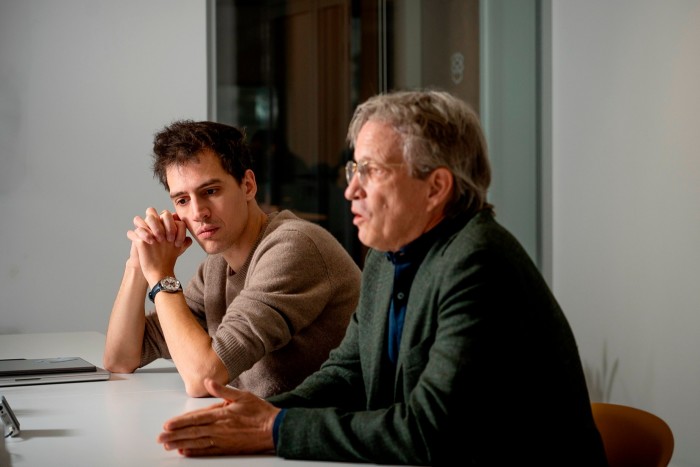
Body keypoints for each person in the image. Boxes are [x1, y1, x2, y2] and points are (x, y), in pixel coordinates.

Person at [155, 91, 609, 466]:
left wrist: (275, 428)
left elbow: (428, 432)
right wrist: (268, 412)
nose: (351, 189)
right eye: (354, 170)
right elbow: (347, 371)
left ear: (436, 188)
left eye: (371, 171)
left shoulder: (479, 263)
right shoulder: (387, 257)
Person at [103, 120, 361, 398]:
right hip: (267, 426)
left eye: (210, 191)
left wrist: (162, 277)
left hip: (318, 432)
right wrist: (139, 264)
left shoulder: (294, 247)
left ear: (248, 185)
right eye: (182, 200)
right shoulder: (216, 268)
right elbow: (121, 358)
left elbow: (203, 377)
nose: (198, 212)